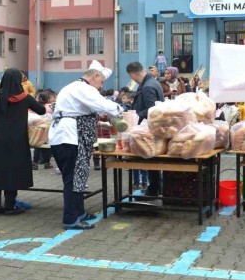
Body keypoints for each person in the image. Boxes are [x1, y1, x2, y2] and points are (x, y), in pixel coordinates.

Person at [50, 62, 122, 230]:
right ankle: (70, 218)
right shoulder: (84, 88)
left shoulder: (73, 87)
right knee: (73, 178)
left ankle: (79, 212)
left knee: (79, 175)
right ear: (95, 76)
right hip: (70, 136)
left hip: (67, 136)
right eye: (101, 82)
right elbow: (103, 104)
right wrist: (120, 110)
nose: (101, 86)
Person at [0, 68, 46, 215]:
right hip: (16, 140)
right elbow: (42, 111)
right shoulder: (25, 98)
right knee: (12, 171)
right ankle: (10, 206)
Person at [127, 61, 166, 197]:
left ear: (134, 73)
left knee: (151, 160)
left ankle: (154, 188)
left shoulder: (148, 86)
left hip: (149, 129)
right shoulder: (152, 82)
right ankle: (155, 188)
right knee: (152, 161)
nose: (132, 79)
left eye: (131, 77)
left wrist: (135, 115)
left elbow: (152, 109)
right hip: (151, 128)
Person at [32, 91, 55, 170]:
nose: (54, 98)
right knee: (47, 146)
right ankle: (47, 162)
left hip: (37, 129)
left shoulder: (36, 106)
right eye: (52, 97)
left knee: (37, 146)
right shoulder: (50, 106)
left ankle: (35, 162)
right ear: (48, 99)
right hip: (47, 128)